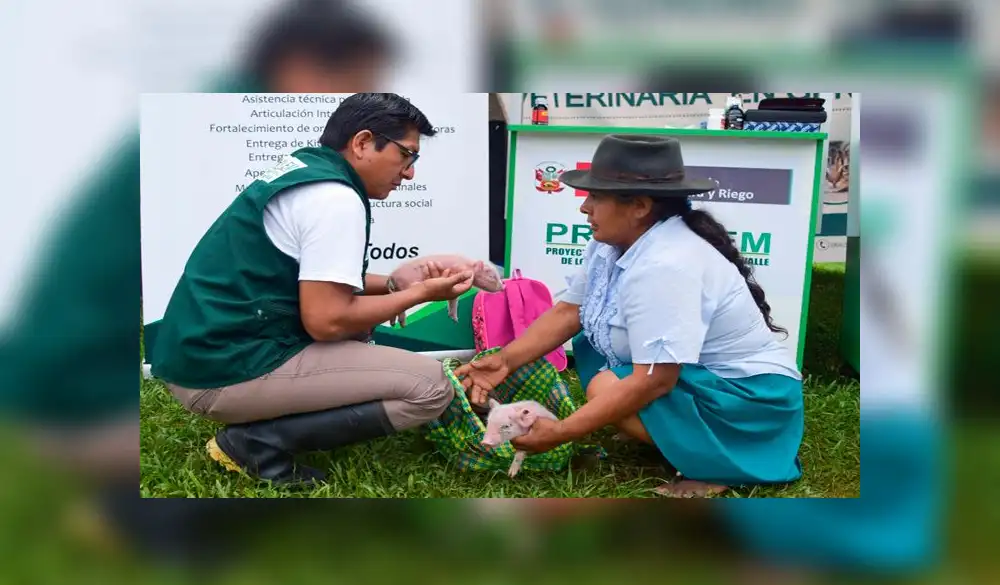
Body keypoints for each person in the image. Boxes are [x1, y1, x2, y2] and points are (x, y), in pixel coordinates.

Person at [148, 92, 474, 486]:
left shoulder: (308, 171)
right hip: (221, 373)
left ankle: (268, 422)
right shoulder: (334, 199)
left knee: (361, 328)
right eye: (408, 155)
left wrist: (392, 282)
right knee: (431, 388)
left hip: (203, 356)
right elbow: (326, 321)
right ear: (363, 143)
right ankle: (255, 443)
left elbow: (312, 278)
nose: (409, 173)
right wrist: (421, 294)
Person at [455, 134, 804, 498]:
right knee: (594, 344)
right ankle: (674, 433)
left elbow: (655, 381)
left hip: (754, 401)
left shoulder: (667, 265)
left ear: (638, 206)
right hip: (710, 379)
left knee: (607, 386)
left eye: (595, 197)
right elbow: (570, 311)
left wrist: (561, 432)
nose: (584, 208)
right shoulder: (615, 242)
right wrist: (503, 361)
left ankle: (720, 463)